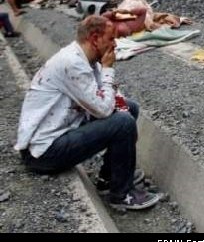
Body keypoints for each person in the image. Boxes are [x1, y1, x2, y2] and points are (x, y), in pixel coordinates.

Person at [14, 16, 160, 210]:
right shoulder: (72, 63)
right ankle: (122, 194)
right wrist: (109, 70)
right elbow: (102, 109)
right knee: (123, 122)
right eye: (110, 38)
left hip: (60, 131)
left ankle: (108, 178)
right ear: (94, 38)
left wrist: (125, 116)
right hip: (43, 152)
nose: (115, 44)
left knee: (129, 108)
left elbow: (113, 100)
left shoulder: (88, 60)